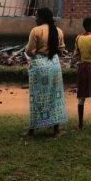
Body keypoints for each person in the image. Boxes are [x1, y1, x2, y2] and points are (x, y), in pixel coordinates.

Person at [25, 7, 68, 137]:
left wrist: (32, 53)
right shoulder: (58, 31)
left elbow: (29, 51)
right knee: (55, 96)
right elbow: (61, 50)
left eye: (37, 16)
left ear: (42, 18)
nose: (35, 18)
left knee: (37, 97)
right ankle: (56, 130)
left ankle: (32, 130)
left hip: (39, 66)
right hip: (54, 65)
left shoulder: (36, 31)